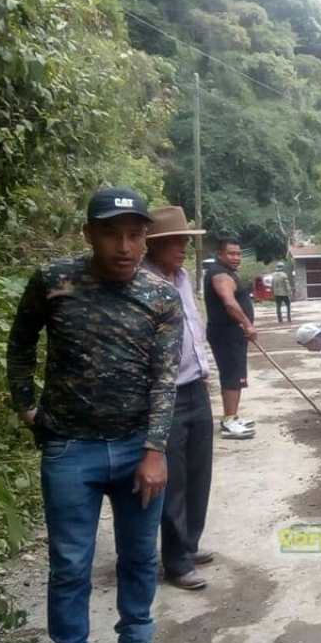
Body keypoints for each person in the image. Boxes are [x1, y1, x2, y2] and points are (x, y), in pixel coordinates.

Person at [6, 187, 184, 643]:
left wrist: (155, 450)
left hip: (137, 448)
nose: (126, 246)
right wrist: (27, 406)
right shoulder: (55, 281)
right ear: (89, 235)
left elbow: (164, 379)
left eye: (136, 235)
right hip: (69, 449)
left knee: (137, 557)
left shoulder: (161, 295)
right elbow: (20, 342)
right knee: (70, 568)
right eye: (112, 233)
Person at [143, 206, 215, 591]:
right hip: (164, 393)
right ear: (155, 245)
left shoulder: (184, 277)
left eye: (186, 241)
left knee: (199, 473)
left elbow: (192, 328)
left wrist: (204, 374)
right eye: (176, 242)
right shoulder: (141, 282)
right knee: (173, 478)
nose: (183, 248)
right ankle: (175, 561)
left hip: (195, 386)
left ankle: (189, 543)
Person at [204, 238, 258, 439]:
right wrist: (248, 324)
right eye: (231, 253)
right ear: (220, 254)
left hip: (232, 333)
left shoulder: (226, 273)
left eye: (238, 253)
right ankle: (228, 421)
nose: (236, 257)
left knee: (236, 374)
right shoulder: (220, 274)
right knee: (232, 375)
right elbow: (229, 303)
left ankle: (233, 416)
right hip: (226, 333)